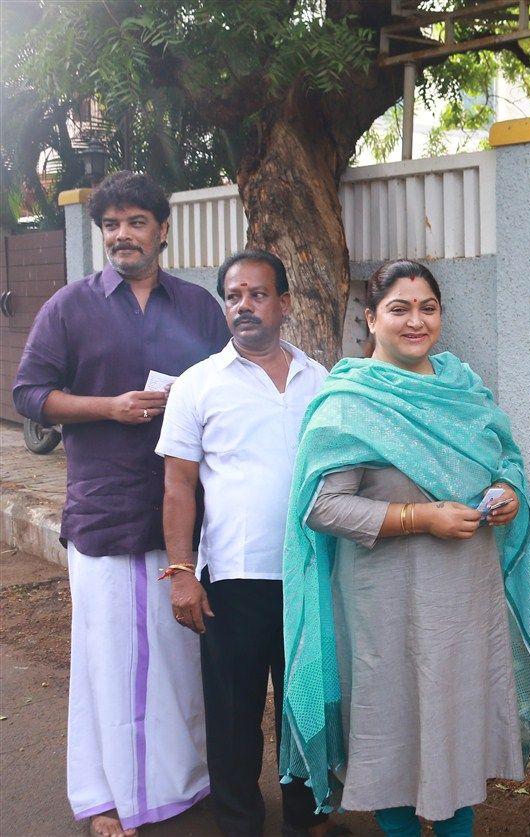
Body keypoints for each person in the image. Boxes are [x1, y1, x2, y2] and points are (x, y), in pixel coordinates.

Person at [279, 259, 530, 837]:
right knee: (390, 723)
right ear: (370, 318)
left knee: (458, 722)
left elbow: (508, 461)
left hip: (464, 598)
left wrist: (507, 493)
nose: (415, 321)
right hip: (384, 601)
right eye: (399, 309)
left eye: (427, 308)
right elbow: (321, 507)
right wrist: (422, 518)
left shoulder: (463, 388)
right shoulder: (349, 400)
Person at [12, 171, 227, 837]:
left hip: (180, 514)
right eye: (111, 224)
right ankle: (103, 794)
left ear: (162, 230)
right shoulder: (70, 307)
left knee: (176, 654)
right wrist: (107, 407)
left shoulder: (197, 308)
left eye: (136, 221)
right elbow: (30, 393)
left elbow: (228, 389)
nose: (122, 235)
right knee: (104, 657)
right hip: (104, 508)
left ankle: (178, 782)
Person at [156, 250, 329, 836]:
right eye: (233, 296)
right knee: (233, 713)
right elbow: (179, 485)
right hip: (231, 578)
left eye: (258, 294)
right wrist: (181, 570)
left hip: (309, 574)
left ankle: (306, 820)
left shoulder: (321, 380)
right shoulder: (198, 385)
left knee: (303, 707)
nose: (244, 306)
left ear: (283, 303)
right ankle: (238, 821)